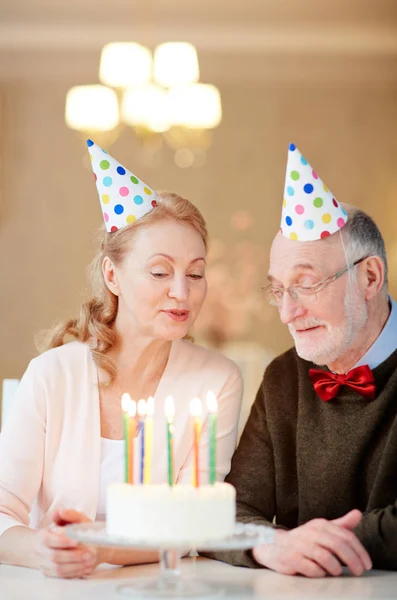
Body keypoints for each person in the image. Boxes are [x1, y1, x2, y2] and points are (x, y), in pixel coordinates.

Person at [0, 140, 242, 578]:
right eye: (159, 271)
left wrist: (100, 548)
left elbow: (194, 521)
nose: (181, 293)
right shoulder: (52, 375)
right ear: (112, 275)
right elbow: (2, 511)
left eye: (195, 273)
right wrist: (44, 549)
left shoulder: (217, 379)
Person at [204, 143, 397, 577]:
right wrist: (272, 545)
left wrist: (302, 542)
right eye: (277, 290)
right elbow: (229, 512)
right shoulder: (283, 378)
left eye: (306, 285)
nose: (288, 313)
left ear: (369, 277)